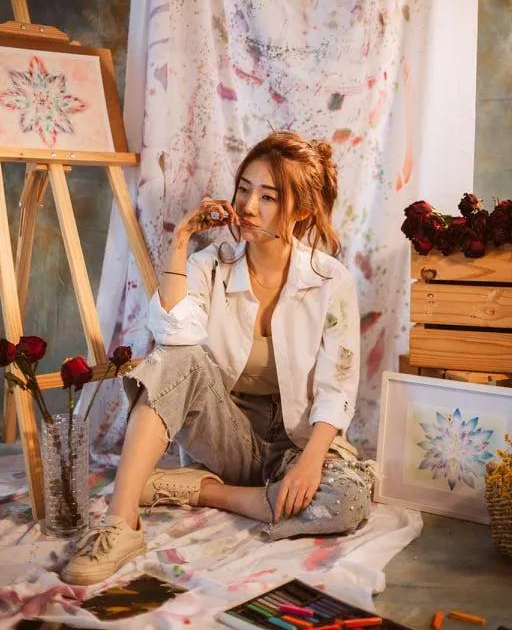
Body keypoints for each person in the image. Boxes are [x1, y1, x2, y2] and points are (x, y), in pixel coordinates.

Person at [62, 131, 374, 586]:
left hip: (297, 442)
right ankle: (121, 523)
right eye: (244, 189)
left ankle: (203, 492)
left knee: (346, 501)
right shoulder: (211, 265)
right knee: (178, 355)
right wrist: (180, 242)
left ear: (301, 212)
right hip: (230, 437)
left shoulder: (330, 280)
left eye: (268, 197)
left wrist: (311, 462)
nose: (248, 206)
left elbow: (337, 383)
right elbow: (173, 338)